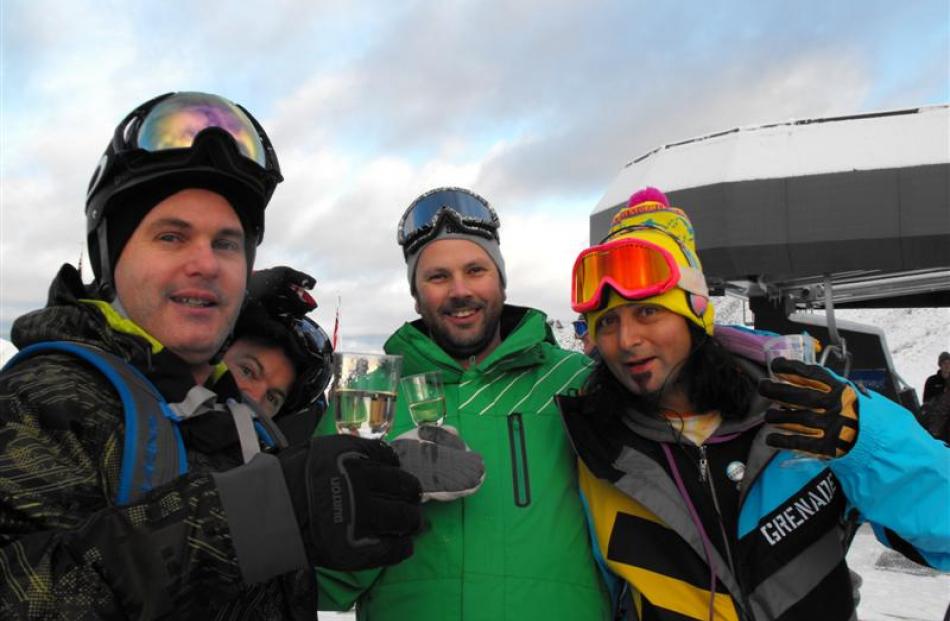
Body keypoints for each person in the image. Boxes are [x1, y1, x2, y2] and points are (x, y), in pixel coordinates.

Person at [0, 91, 421, 619]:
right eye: (172, 237)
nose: (206, 263)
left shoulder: (241, 420)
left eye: (227, 244)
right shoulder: (49, 396)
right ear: (112, 255)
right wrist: (257, 517)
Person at [558, 187, 950, 621]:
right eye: (607, 321)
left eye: (647, 312)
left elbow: (943, 534)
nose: (627, 340)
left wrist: (868, 444)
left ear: (694, 312)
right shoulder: (595, 447)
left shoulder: (803, 406)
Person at [316, 187, 611, 619]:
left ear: (501, 282)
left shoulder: (576, 382)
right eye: (437, 277)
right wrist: (370, 497)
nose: (459, 291)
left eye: (475, 270)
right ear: (416, 295)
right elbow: (324, 583)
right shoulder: (370, 399)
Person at [225, 265, 333, 444]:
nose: (255, 397)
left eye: (272, 398)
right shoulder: (165, 414)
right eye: (247, 371)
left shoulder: (270, 465)